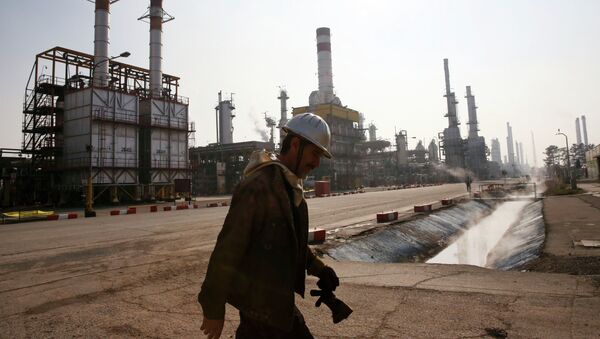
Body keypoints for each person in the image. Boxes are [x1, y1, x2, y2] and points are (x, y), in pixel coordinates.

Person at [198, 113, 341, 339]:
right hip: (260, 311)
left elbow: (289, 242)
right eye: (314, 154)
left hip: (277, 307)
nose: (316, 163)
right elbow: (227, 250)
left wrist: (319, 268)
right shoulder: (259, 186)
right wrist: (213, 308)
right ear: (295, 144)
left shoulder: (289, 187)